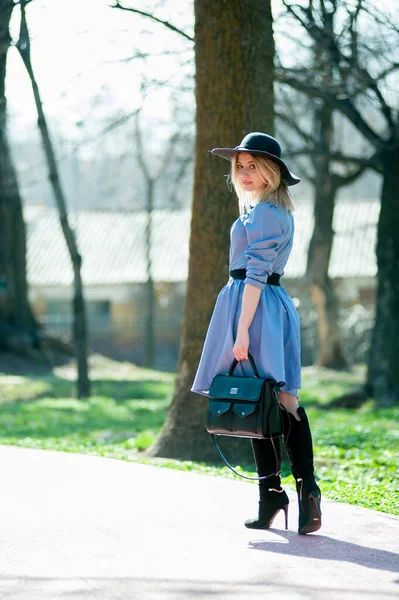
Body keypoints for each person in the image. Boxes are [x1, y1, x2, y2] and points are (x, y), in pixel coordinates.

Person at [191, 132, 322, 535]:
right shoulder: (271, 210)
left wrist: (242, 330)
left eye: (254, 166)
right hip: (264, 305)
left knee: (269, 400)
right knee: (269, 402)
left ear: (272, 172)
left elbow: (256, 274)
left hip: (255, 306)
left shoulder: (265, 212)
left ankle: (291, 492)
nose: (245, 173)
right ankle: (287, 495)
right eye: (241, 166)